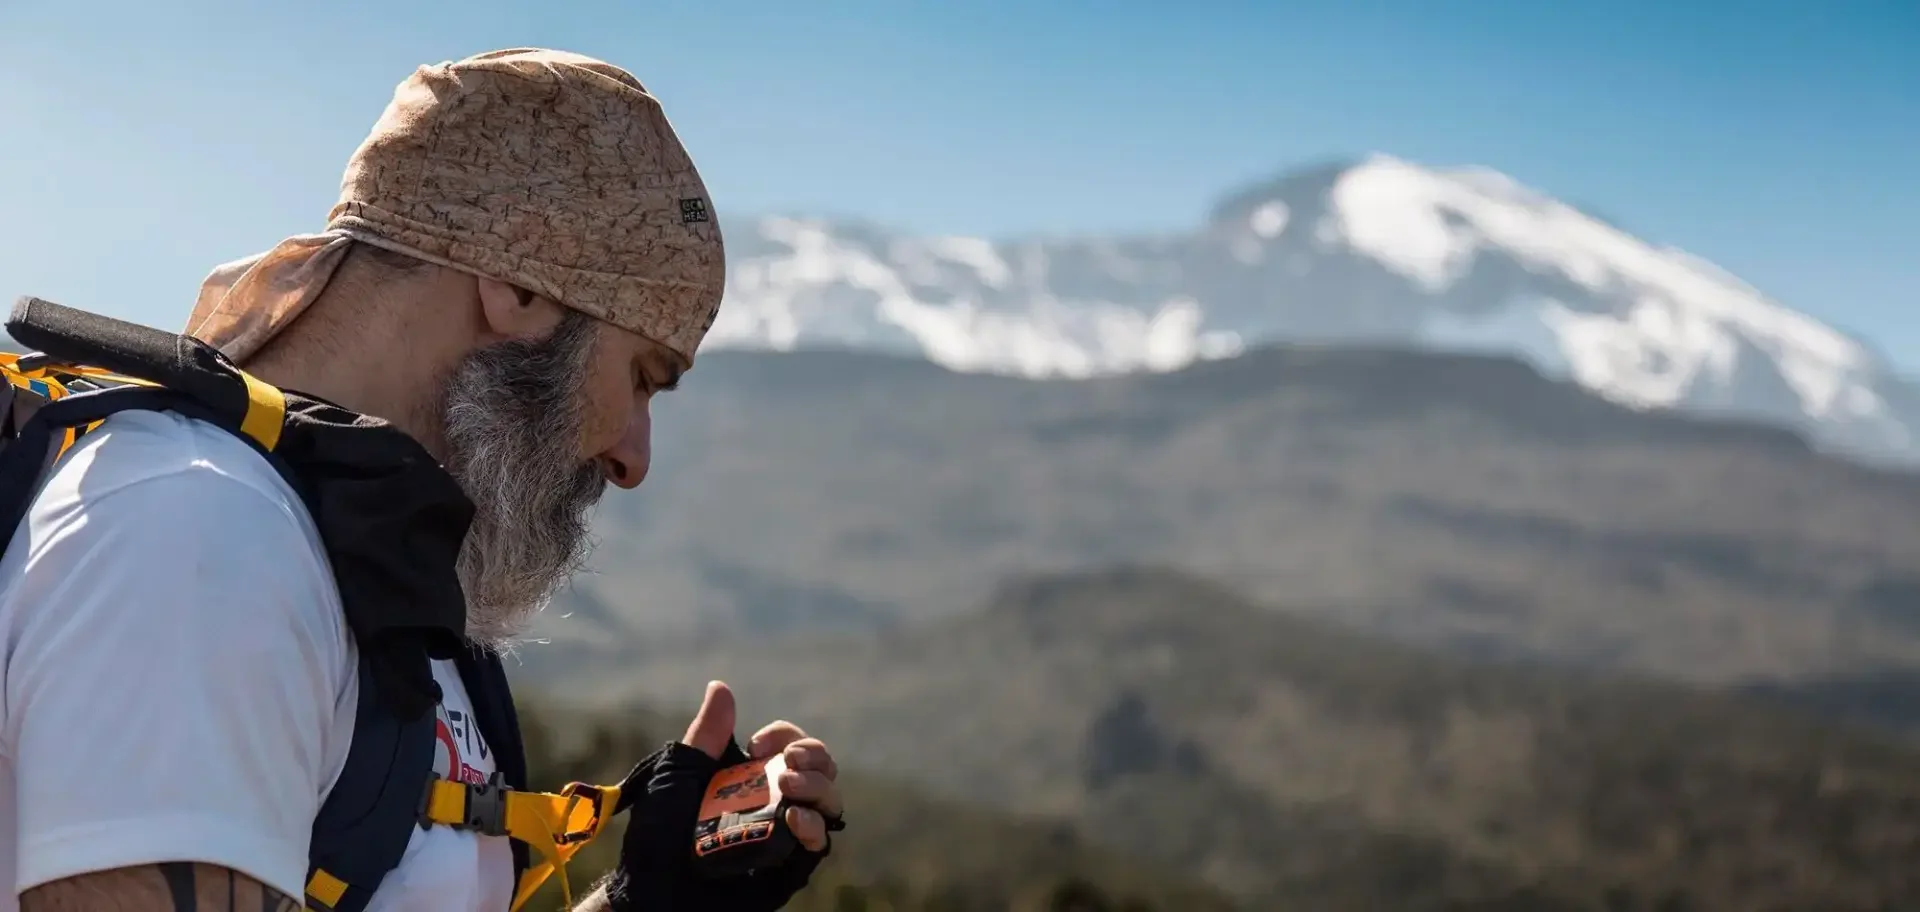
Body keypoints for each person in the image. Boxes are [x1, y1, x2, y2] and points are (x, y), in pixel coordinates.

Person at [0, 48, 841, 911]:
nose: (635, 458)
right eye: (641, 378)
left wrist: (647, 901)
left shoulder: (364, 576)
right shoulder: (201, 537)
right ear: (518, 286)